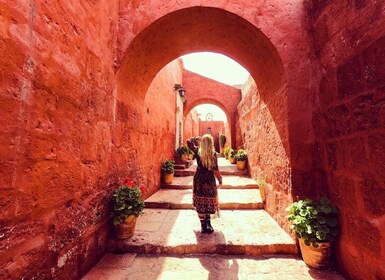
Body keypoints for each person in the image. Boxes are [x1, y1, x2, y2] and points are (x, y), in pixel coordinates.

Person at [187, 134, 222, 234]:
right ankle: (208, 224)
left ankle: (203, 225)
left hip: (199, 179)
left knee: (200, 202)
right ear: (211, 143)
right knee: (209, 201)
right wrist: (220, 179)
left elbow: (189, 142)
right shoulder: (213, 154)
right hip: (209, 180)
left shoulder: (198, 151)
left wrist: (197, 138)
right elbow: (215, 169)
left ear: (202, 142)